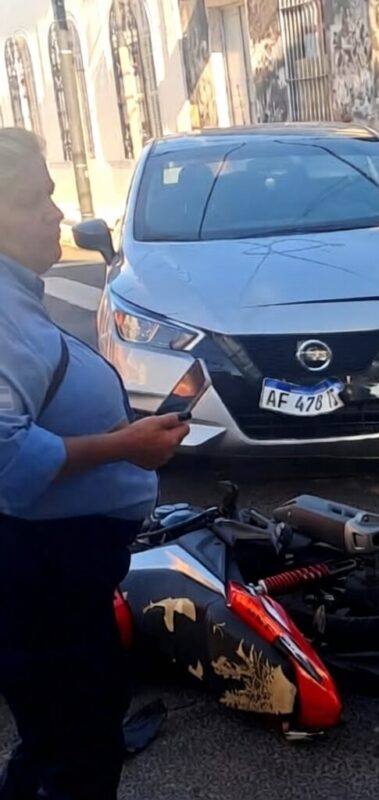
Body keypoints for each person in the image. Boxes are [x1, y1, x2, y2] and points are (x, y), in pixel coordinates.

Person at [0, 128, 190, 799]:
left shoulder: (16, 298)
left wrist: (113, 431)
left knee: (63, 740)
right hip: (40, 577)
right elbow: (9, 458)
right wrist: (125, 446)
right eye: (31, 201)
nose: (54, 213)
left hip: (58, 580)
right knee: (73, 753)